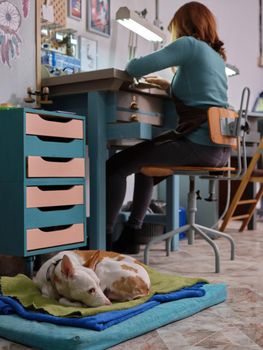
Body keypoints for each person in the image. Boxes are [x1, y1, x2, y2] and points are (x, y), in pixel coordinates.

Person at [106, 1, 231, 253]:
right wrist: (168, 87)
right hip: (220, 148)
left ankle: (104, 238)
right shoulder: (216, 58)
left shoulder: (189, 45)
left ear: (181, 25)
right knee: (146, 169)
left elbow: (135, 67)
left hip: (199, 144)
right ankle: (132, 234)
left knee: (115, 167)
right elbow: (200, 95)